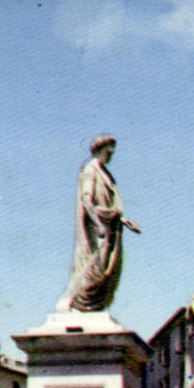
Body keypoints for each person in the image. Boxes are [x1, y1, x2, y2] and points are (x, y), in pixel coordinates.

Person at [56, 134, 139, 314]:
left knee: (109, 270)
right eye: (108, 152)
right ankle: (75, 302)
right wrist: (98, 224)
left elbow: (109, 204)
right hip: (96, 229)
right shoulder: (90, 170)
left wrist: (123, 220)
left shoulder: (106, 174)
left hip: (110, 227)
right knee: (96, 268)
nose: (111, 156)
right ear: (100, 150)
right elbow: (87, 199)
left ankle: (87, 306)